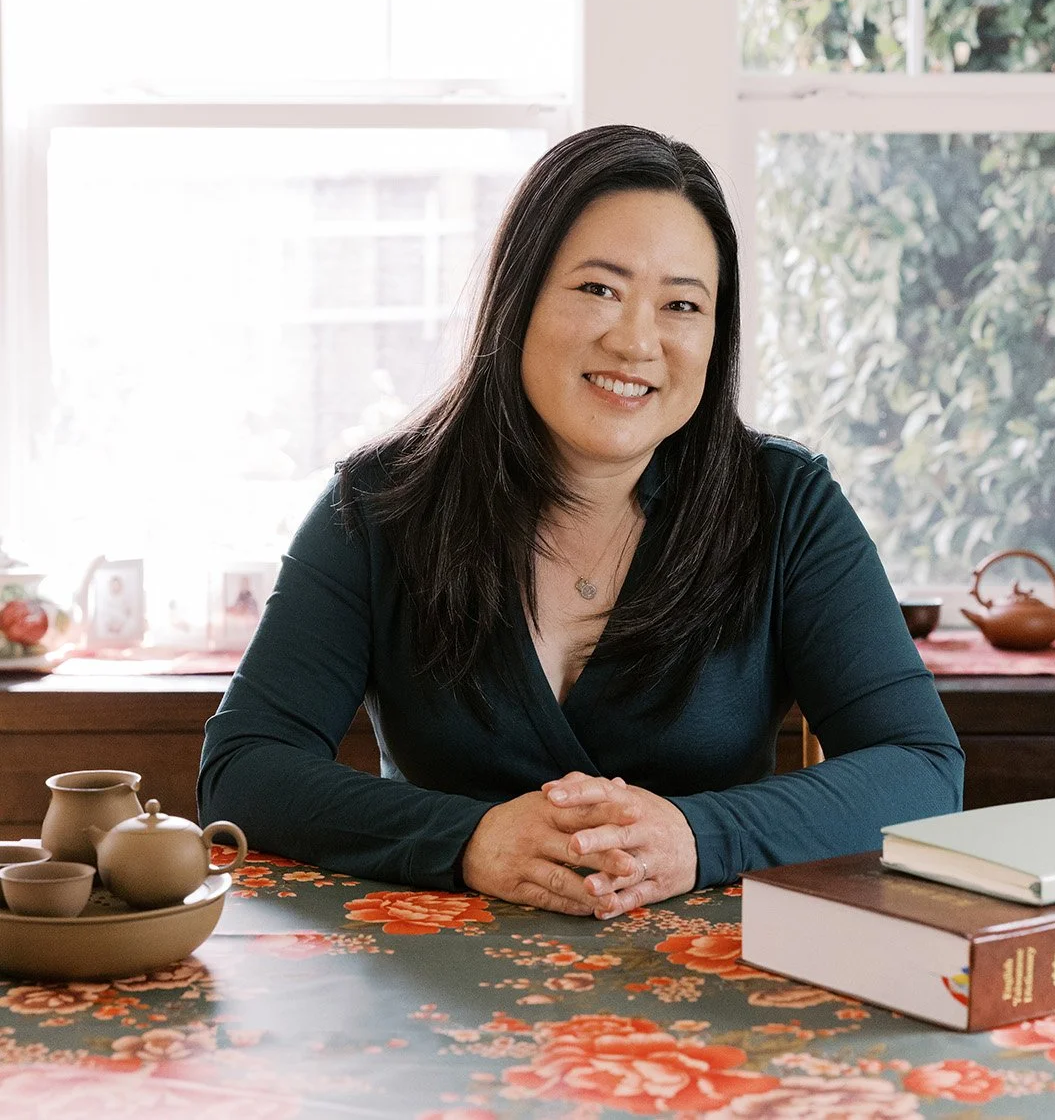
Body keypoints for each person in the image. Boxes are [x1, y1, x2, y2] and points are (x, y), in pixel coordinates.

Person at [199, 124, 963, 919]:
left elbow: (923, 769)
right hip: (433, 996)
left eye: (681, 304)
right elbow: (245, 766)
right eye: (599, 289)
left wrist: (697, 836)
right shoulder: (381, 504)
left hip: (712, 991)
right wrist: (470, 839)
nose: (636, 341)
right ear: (519, 296)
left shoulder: (787, 504)